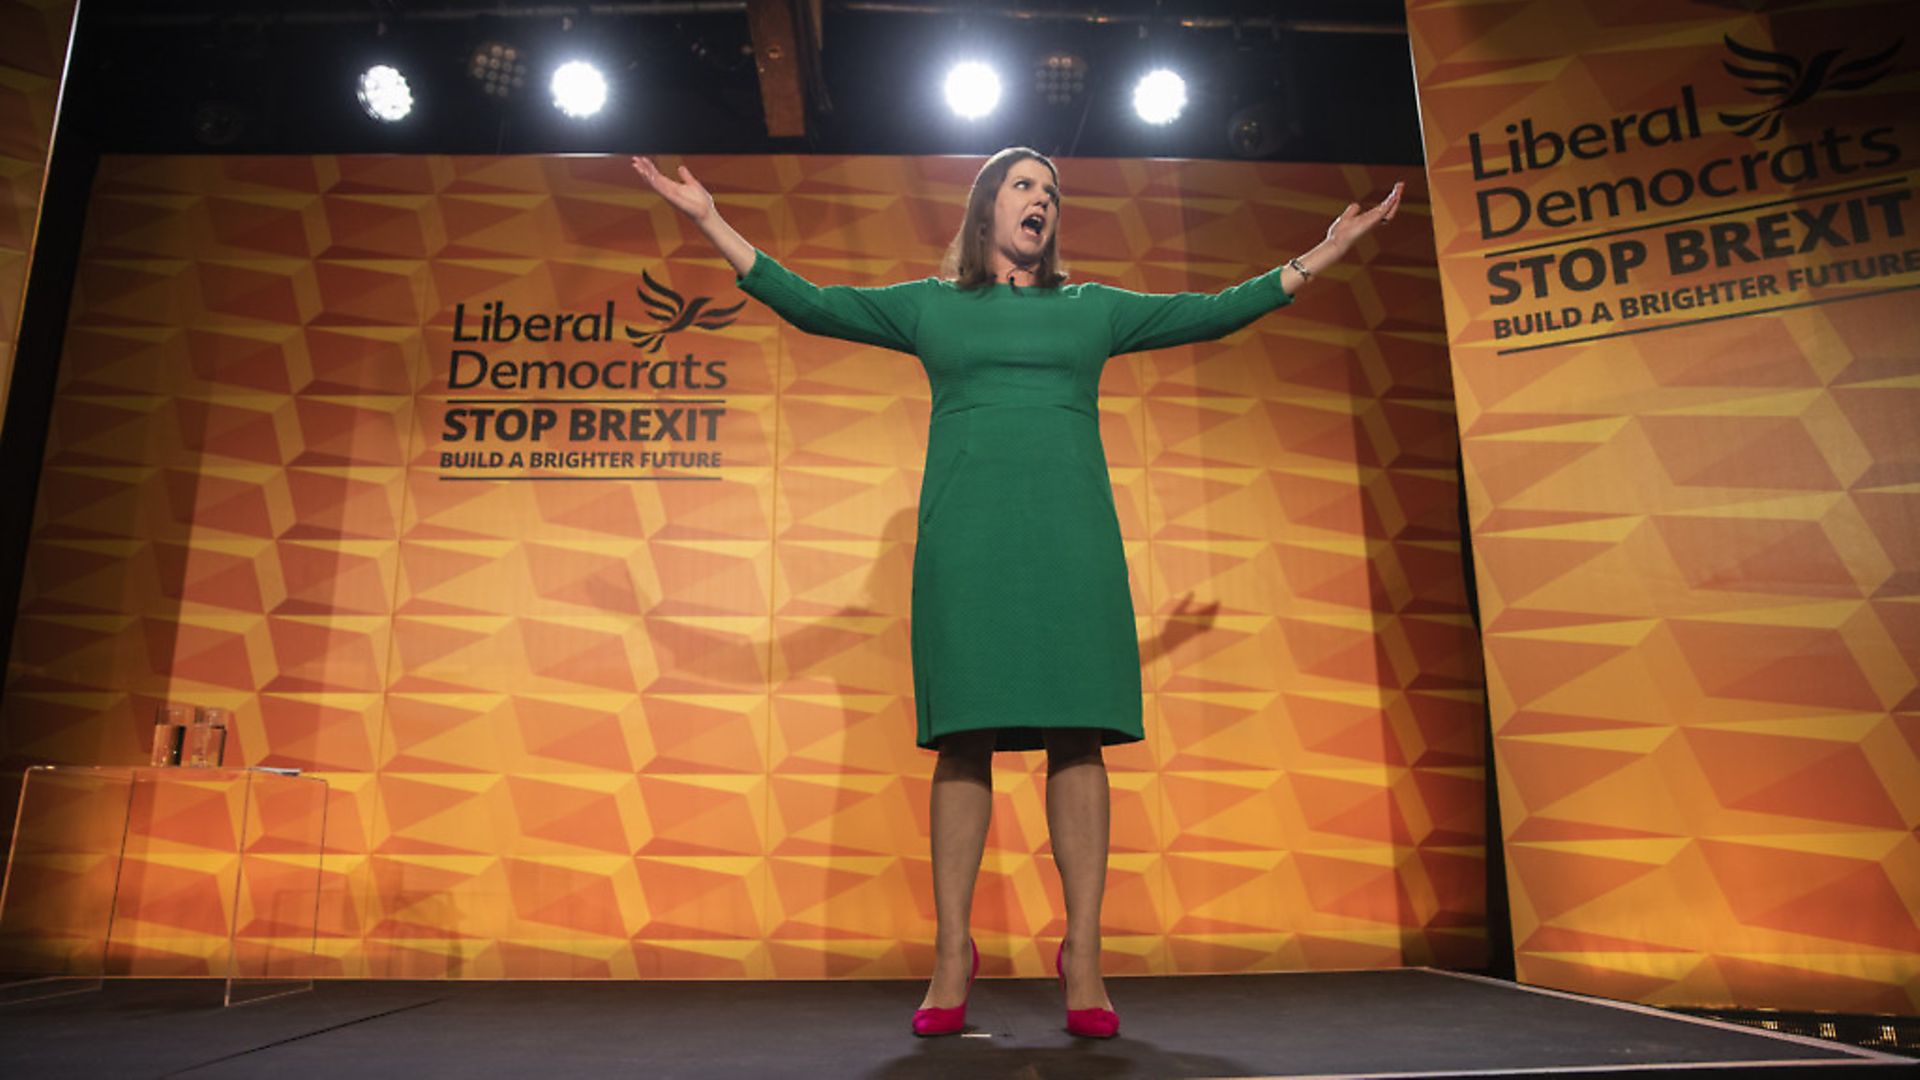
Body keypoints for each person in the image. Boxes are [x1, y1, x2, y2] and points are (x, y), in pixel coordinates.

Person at [630, 148, 1402, 1038]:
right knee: (965, 738)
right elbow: (812, 305)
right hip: (969, 546)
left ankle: (1082, 955)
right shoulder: (932, 306)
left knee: (1080, 735)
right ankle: (954, 952)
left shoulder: (1093, 309)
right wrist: (707, 220)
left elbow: (1211, 313)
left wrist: (1321, 252)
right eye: (1026, 186)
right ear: (987, 205)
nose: (1043, 200)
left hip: (1071, 543)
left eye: (1052, 192)